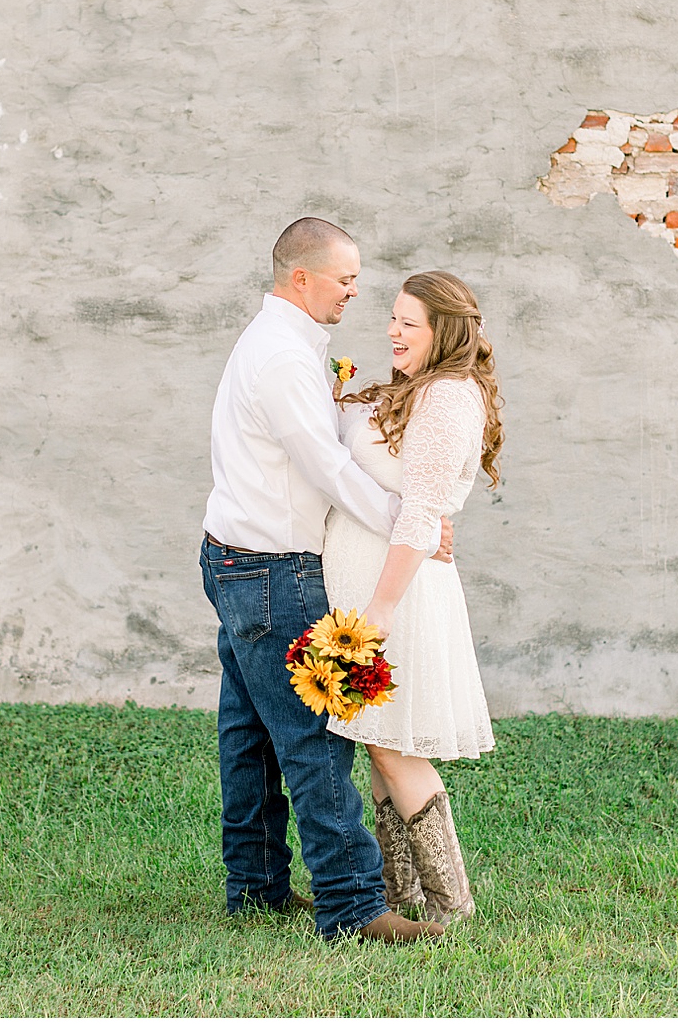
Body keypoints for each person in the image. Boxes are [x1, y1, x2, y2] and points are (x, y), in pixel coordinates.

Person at [199, 217, 453, 944]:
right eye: (345, 278)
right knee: (317, 739)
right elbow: (328, 468)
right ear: (300, 277)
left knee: (249, 736)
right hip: (275, 574)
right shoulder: (281, 356)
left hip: (236, 558)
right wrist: (415, 523)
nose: (354, 291)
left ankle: (255, 887)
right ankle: (352, 905)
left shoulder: (281, 341)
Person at [323, 270, 503, 926]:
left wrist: (380, 608)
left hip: (395, 596)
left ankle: (450, 902)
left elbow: (422, 513)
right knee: (380, 741)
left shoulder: (450, 399)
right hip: (373, 589)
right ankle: (402, 896)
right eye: (393, 318)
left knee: (397, 746)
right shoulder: (416, 389)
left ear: (444, 332)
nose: (393, 331)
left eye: (409, 323)